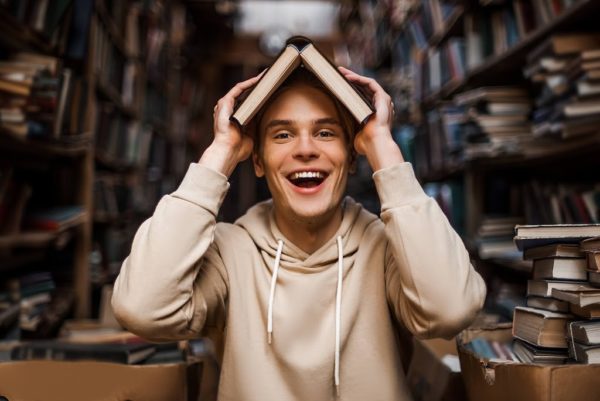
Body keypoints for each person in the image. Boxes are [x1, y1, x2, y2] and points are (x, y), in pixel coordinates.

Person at [112, 65, 486, 401]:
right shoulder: (228, 252)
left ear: (352, 156)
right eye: (282, 135)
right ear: (257, 160)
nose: (305, 149)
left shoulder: (389, 248)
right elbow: (142, 310)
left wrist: (382, 146)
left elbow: (452, 310)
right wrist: (222, 149)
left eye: (325, 132)